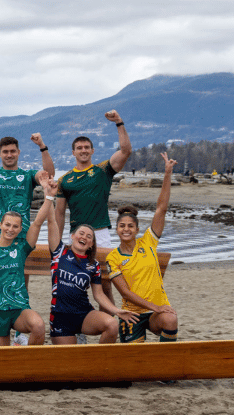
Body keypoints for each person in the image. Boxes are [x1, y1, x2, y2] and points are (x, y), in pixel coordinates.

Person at [42, 174, 136, 345]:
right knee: (70, 364)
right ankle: (78, 338)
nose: (84, 237)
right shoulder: (59, 252)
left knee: (111, 325)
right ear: (72, 236)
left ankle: (99, 365)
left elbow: (98, 295)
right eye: (81, 233)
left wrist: (116, 310)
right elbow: (51, 223)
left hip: (84, 313)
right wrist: (49, 195)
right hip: (60, 317)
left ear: (91, 244)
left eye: (89, 236)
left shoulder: (93, 266)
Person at [0, 171, 55, 346]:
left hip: (19, 308)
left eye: (15, 226)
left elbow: (38, 222)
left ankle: (28, 365)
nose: (11, 229)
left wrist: (49, 196)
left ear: (19, 229)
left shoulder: (21, 248)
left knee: (38, 326)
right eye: (7, 224)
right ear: (0, 224)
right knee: (1, 358)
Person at [107, 153, 180, 344]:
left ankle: (166, 368)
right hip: (132, 314)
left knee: (171, 318)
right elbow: (125, 293)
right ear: (117, 229)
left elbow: (161, 208)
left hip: (157, 311)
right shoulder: (113, 258)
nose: (126, 229)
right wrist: (154, 307)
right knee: (134, 365)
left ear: (137, 229)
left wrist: (167, 173)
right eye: (122, 226)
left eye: (130, 226)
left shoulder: (147, 241)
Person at [55, 110, 131, 249]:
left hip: (100, 232)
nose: (83, 150)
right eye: (79, 148)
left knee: (101, 270)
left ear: (92, 151)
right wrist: (57, 242)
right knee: (76, 271)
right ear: (73, 153)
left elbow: (125, 151)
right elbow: (59, 213)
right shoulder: (64, 180)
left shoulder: (103, 170)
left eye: (86, 147)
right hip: (76, 233)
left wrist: (118, 122)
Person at [0, 134, 54, 241]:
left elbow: (49, 175)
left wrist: (42, 145)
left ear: (18, 152)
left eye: (13, 151)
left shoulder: (28, 175)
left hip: (22, 235)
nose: (9, 155)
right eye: (5, 152)